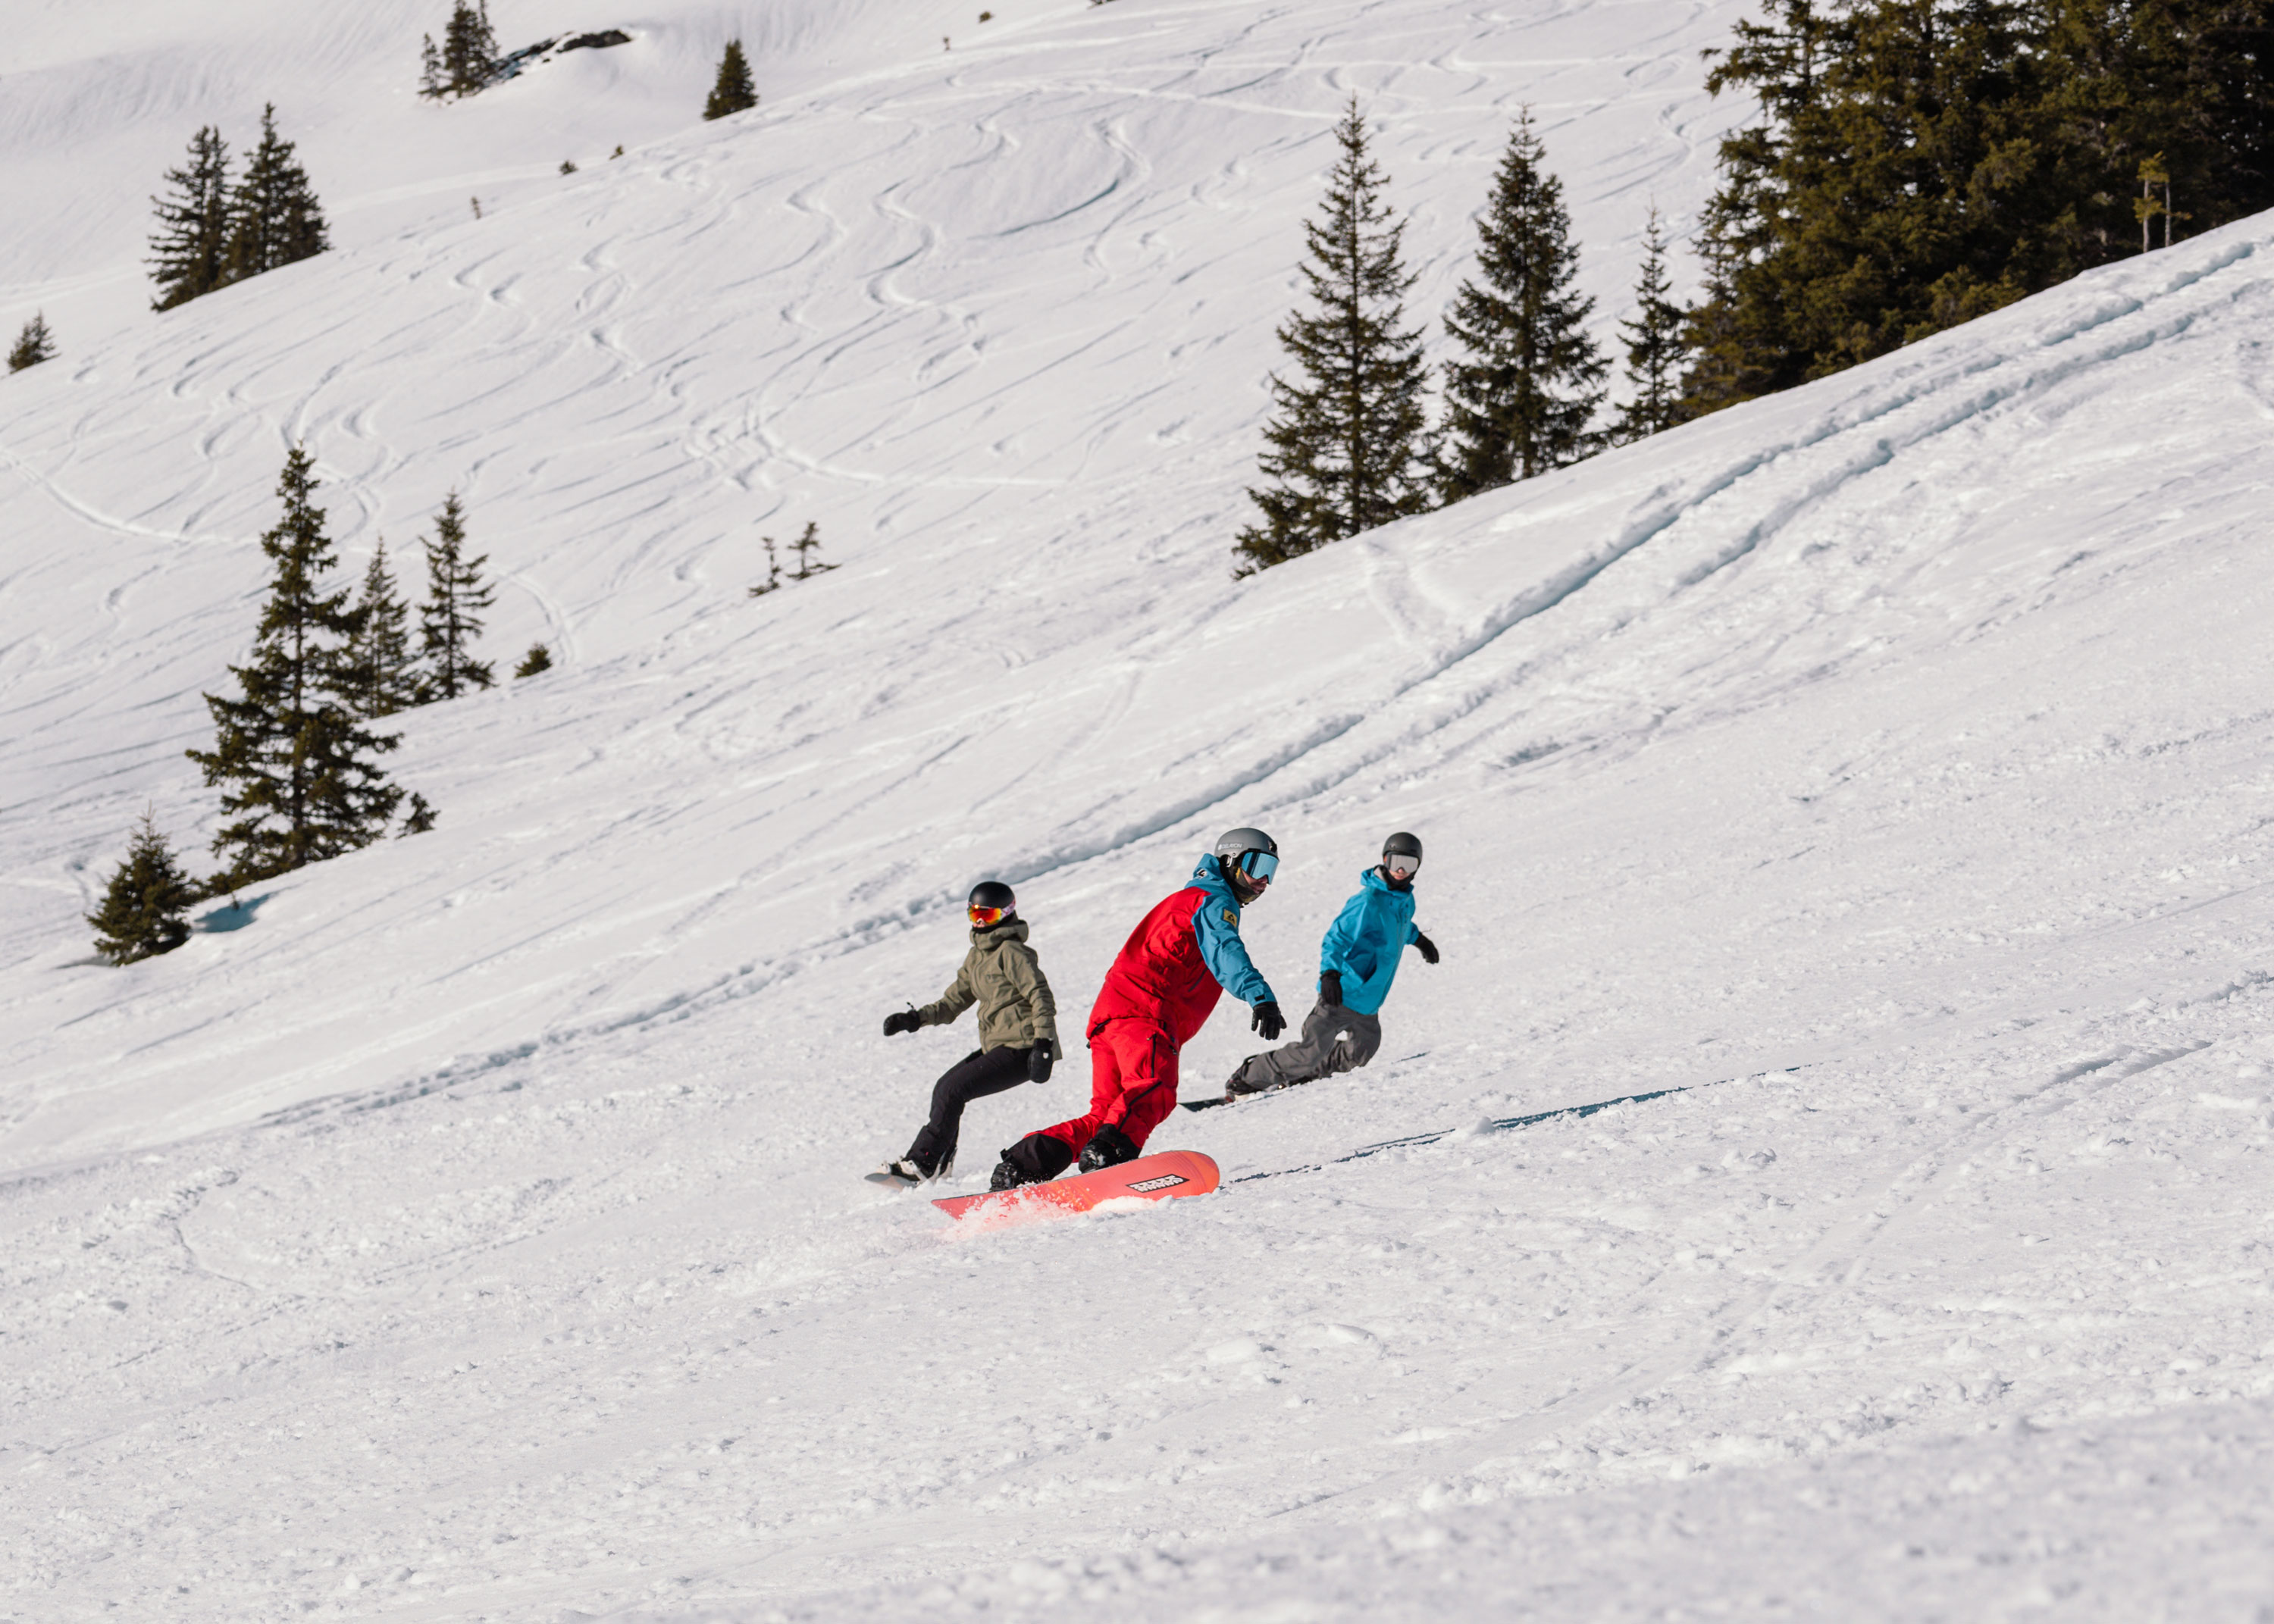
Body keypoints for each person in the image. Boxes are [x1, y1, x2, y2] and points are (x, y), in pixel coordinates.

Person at [991, 828, 1286, 1189]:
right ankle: (1108, 1157)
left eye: (1271, 870)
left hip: (1111, 1018)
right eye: (1257, 866)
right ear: (1230, 861)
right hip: (1146, 1014)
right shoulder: (1212, 900)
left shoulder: (1184, 899)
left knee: (1106, 1113)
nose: (1264, 881)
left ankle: (1021, 1166)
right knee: (1154, 1089)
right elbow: (1225, 949)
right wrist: (1259, 995)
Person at [871, 880, 1060, 1186]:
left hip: (1023, 1048)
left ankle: (921, 1166)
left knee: (951, 1091)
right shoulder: (977, 956)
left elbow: (1041, 996)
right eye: (975, 916)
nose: (982, 922)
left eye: (989, 915)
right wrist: (915, 1019)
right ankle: (940, 1163)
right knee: (946, 1088)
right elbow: (953, 1001)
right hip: (999, 1045)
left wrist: (1044, 1045)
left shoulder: (1012, 952)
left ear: (1007, 913)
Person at [1223, 831, 1438, 1098]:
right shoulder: (1367, 901)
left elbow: (1400, 926)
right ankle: (1250, 1075)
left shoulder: (1406, 900)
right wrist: (1330, 974)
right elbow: (1337, 939)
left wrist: (1419, 940)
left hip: (1369, 1002)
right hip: (1341, 992)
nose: (1401, 870)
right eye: (1396, 862)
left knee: (1360, 1054)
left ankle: (1311, 1071)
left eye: (1409, 864)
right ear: (1385, 860)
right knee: (1309, 1051)